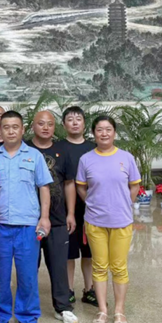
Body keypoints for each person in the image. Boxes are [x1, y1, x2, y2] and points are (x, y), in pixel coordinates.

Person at [0, 111, 53, 323]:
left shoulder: (35, 156)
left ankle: (28, 319)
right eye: (6, 127)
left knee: (28, 276)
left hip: (27, 226)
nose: (11, 131)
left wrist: (44, 217)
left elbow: (44, 187)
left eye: (15, 127)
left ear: (23, 130)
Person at [75, 115, 141, 323]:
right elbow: (81, 187)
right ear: (94, 133)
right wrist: (92, 203)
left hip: (121, 221)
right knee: (99, 266)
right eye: (99, 130)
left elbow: (134, 186)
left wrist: (125, 204)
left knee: (119, 267)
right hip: (95, 221)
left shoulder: (126, 158)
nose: (104, 133)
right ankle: (102, 310)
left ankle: (119, 311)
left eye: (108, 129)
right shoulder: (86, 159)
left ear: (114, 133)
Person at [25, 111, 78, 323]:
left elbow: (69, 183)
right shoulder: (24, 149)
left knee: (58, 266)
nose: (45, 127)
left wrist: (70, 213)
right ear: (32, 126)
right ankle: (27, 308)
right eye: (41, 123)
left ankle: (62, 307)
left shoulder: (63, 150)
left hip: (57, 219)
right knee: (29, 267)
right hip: (29, 219)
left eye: (50, 124)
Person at [57, 106, 97, 307]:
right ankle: (69, 290)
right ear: (64, 124)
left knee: (90, 252)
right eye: (70, 119)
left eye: (78, 119)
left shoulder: (94, 147)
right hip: (64, 209)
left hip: (92, 208)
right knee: (69, 252)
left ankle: (90, 290)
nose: (74, 123)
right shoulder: (58, 148)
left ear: (84, 123)